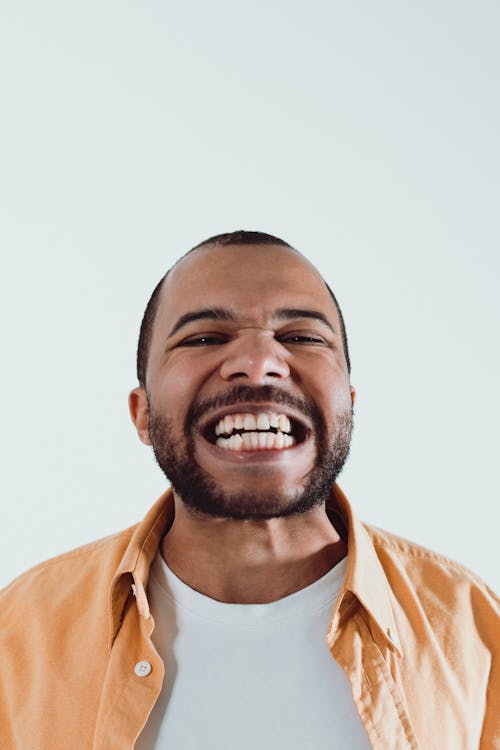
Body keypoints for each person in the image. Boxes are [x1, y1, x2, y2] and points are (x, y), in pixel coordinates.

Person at [0, 231, 498, 750]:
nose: (260, 361)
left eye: (302, 337)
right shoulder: (17, 637)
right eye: (204, 338)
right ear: (143, 414)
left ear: (348, 403)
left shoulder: (477, 632)